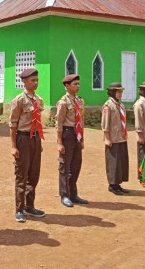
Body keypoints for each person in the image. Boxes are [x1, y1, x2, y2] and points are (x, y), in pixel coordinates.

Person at [9, 68, 45, 223]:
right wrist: (13, 146)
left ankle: (30, 206)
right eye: (32, 80)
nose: (36, 83)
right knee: (22, 174)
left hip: (35, 139)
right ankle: (19, 208)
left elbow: (38, 122)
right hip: (23, 139)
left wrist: (39, 142)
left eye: (37, 80)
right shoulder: (19, 100)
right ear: (24, 82)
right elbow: (13, 124)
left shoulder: (38, 100)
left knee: (34, 174)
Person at [56, 74, 88, 207]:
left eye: (78, 84)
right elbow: (59, 123)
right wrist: (59, 142)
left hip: (77, 134)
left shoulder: (79, 101)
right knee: (65, 166)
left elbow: (81, 120)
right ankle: (64, 195)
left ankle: (73, 193)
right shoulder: (63, 102)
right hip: (67, 134)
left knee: (76, 165)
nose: (78, 86)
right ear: (67, 86)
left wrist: (82, 139)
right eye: (75, 84)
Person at [101, 83, 130, 196]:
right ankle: (112, 185)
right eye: (118, 92)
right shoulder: (108, 105)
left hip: (121, 137)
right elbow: (105, 123)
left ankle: (118, 183)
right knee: (113, 161)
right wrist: (107, 138)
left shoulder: (120, 105)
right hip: (113, 138)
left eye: (121, 92)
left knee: (121, 161)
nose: (120, 94)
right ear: (112, 92)